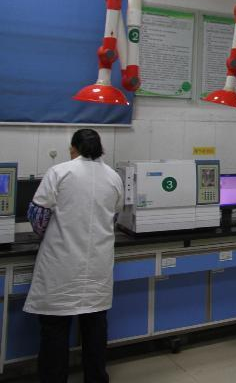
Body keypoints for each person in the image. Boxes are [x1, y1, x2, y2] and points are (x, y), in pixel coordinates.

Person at [25, 129, 123, 382]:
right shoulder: (113, 177)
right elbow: (113, 217)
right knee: (95, 330)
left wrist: (52, 234)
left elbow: (38, 218)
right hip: (98, 264)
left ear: (73, 148)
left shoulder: (59, 172)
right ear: (100, 149)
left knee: (55, 331)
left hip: (62, 263)